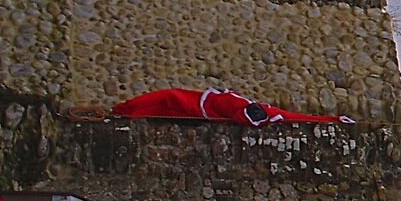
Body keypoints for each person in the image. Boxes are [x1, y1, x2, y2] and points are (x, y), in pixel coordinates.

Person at [107, 88, 351, 125]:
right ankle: (126, 111)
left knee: (165, 100)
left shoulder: (264, 115)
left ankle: (124, 111)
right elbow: (299, 116)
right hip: (202, 101)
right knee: (162, 102)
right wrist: (335, 119)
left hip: (198, 106)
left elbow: (297, 117)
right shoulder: (270, 113)